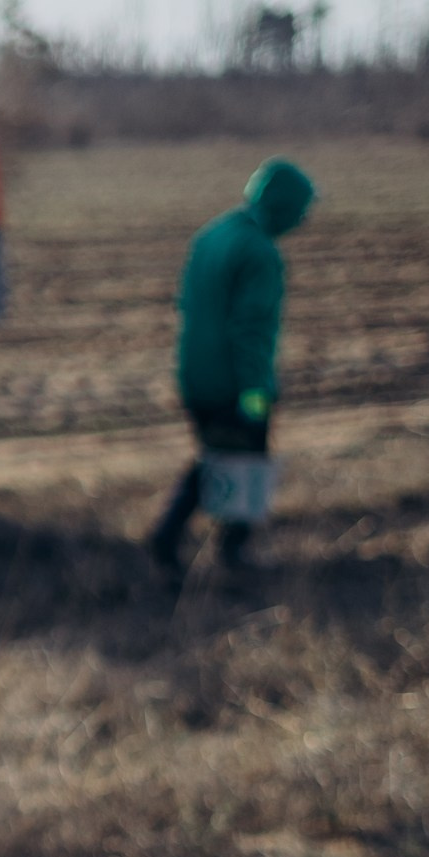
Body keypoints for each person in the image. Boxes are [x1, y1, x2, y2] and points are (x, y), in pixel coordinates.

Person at [150, 156, 318, 576]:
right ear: (284, 207)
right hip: (234, 383)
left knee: (215, 456)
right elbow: (253, 330)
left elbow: (187, 303)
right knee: (246, 464)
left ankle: (170, 541)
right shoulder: (260, 252)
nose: (303, 221)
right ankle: (228, 554)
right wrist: (257, 390)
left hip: (195, 374)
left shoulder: (214, 234)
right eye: (301, 211)